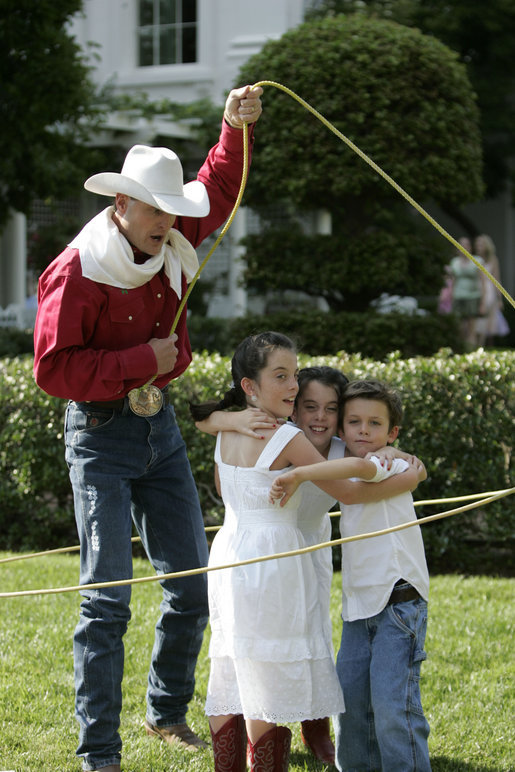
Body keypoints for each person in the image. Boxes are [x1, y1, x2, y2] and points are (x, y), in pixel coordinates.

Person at [33, 84, 263, 772]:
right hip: (98, 436)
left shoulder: (168, 235)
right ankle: (99, 752)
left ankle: (165, 713)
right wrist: (144, 360)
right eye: (155, 209)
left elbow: (219, 182)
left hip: (157, 430)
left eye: (173, 210)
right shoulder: (74, 272)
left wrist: (231, 124)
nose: (169, 221)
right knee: (106, 602)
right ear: (121, 205)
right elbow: (54, 371)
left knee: (191, 585)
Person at [190, 339, 424, 771]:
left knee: (232, 658)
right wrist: (410, 478)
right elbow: (351, 494)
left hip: (229, 550)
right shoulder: (286, 437)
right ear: (251, 385)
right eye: (282, 376)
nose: (293, 385)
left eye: (293, 375)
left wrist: (227, 416)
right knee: (267, 667)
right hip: (274, 556)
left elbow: (219, 467)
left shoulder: (228, 428)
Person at [271, 379, 431, 772]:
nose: (364, 431)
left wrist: (300, 474)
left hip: (399, 601)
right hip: (360, 605)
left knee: (394, 706)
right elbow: (348, 464)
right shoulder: (349, 455)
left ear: (392, 433)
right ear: (341, 430)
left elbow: (361, 468)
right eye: (354, 422)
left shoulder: (386, 462)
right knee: (352, 704)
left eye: (375, 424)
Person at [474, 234, 509, 346]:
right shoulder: (474, 258)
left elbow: (496, 279)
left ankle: (481, 346)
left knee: (487, 320)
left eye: (481, 244)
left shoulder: (493, 259)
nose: (478, 246)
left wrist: (499, 298)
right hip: (476, 289)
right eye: (477, 244)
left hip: (489, 291)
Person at [448, 236, 483, 347]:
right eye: (461, 244)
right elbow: (452, 281)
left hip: (473, 296)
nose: (464, 247)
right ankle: (460, 348)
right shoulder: (454, 262)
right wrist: (450, 297)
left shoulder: (477, 260)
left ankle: (472, 350)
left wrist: (483, 301)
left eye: (467, 244)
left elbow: (483, 282)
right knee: (458, 325)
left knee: (472, 326)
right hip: (458, 296)